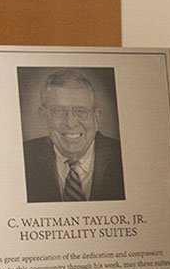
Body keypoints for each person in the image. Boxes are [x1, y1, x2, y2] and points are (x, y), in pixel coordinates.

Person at [23, 69, 125, 203]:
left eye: (80, 111)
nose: (71, 123)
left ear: (97, 117)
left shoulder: (123, 156)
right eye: (58, 111)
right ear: (43, 116)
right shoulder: (23, 157)